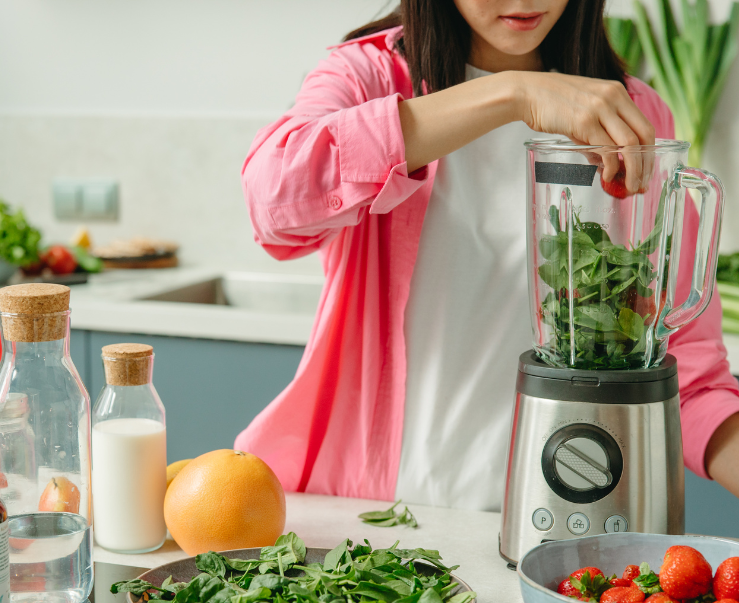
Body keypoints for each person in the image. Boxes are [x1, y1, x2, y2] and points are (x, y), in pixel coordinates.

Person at [234, 0, 739, 510]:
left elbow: (686, 373)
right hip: (380, 517)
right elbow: (273, 197)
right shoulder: (369, 78)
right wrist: (512, 93)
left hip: (566, 522)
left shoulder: (633, 112)